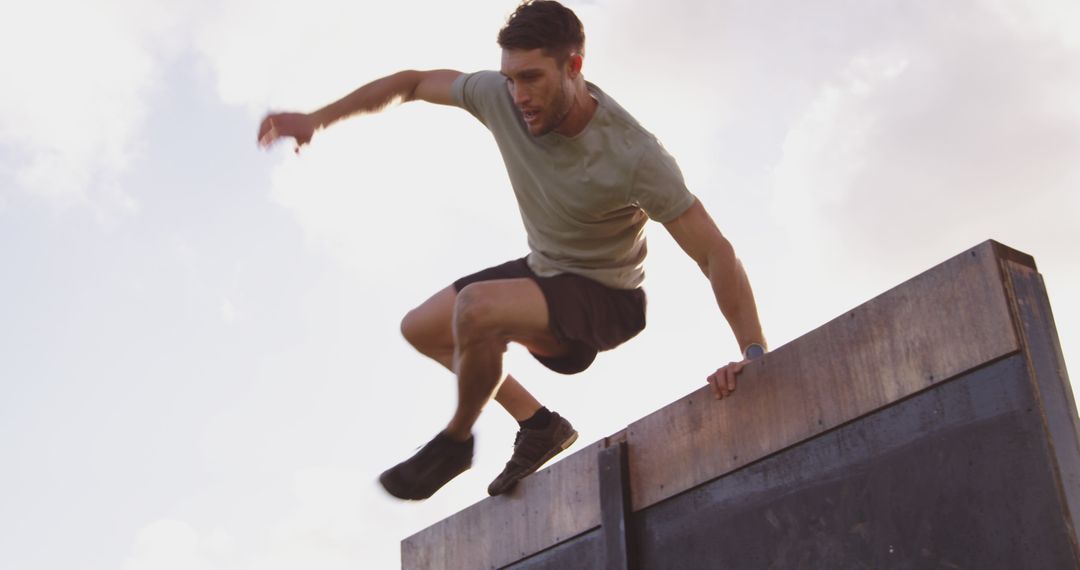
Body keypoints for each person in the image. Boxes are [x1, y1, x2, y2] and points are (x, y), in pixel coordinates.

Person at [257, 0, 767, 501]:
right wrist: (317, 119)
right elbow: (412, 82)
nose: (518, 95)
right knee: (422, 328)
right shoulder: (500, 96)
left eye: (531, 78)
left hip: (607, 299)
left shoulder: (634, 155)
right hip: (544, 270)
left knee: (476, 311)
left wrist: (755, 355)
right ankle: (539, 425)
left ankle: (455, 442)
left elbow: (714, 252)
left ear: (574, 67)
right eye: (510, 78)